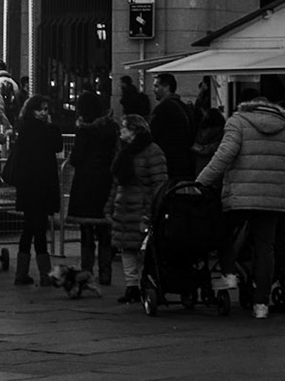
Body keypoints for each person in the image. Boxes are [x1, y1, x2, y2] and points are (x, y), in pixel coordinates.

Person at [195, 87, 285, 319]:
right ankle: (261, 304)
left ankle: (229, 274)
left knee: (222, 232)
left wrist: (201, 181)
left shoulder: (237, 121)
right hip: (273, 197)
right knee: (265, 248)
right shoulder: (284, 127)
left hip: (241, 194)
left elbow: (224, 155)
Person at [110, 113, 168, 303]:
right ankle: (131, 285)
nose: (120, 132)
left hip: (141, 206)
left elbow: (159, 183)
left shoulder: (151, 151)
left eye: (124, 128)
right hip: (124, 206)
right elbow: (116, 182)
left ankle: (145, 283)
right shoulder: (125, 151)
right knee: (126, 248)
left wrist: (150, 211)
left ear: (134, 131)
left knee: (144, 249)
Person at [6, 95, 63, 286]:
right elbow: (58, 145)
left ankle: (24, 272)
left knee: (30, 229)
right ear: (33, 111)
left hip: (29, 187)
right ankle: (44, 273)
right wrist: (52, 126)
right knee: (37, 230)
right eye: (41, 109)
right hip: (41, 187)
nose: (44, 113)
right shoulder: (45, 131)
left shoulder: (25, 130)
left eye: (46, 109)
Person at [64, 92, 118, 287]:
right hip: (106, 180)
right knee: (105, 229)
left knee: (86, 229)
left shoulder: (84, 130)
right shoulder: (112, 127)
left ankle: (87, 270)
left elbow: (77, 156)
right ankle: (106, 272)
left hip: (86, 181)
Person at [149, 73, 199, 186]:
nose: (153, 90)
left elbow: (152, 134)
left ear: (167, 87)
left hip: (169, 163)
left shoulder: (163, 108)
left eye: (156, 86)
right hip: (186, 162)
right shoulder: (185, 107)